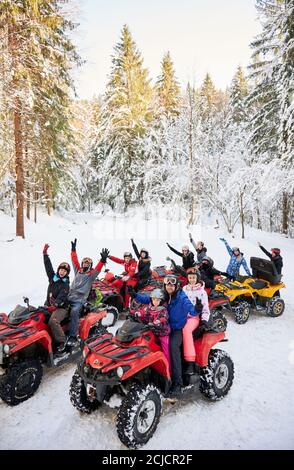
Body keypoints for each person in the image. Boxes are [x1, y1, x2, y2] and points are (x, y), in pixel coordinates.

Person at [163, 274, 199, 397]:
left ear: (177, 286)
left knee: (173, 347)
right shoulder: (164, 295)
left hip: (176, 329)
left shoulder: (181, 296)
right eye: (167, 284)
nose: (169, 287)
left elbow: (189, 306)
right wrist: (135, 296)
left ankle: (178, 382)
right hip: (163, 327)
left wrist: (196, 310)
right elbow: (150, 299)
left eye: (172, 285)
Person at [67, 239, 108, 346]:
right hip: (69, 296)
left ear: (90, 265)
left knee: (74, 311)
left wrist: (102, 260)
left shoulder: (91, 275)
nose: (85, 264)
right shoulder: (78, 271)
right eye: (84, 262)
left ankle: (73, 336)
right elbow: (74, 260)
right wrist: (73, 250)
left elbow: (98, 269)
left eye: (88, 263)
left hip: (79, 300)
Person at [129, 287, 171, 372]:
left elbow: (162, 319)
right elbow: (145, 314)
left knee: (166, 349)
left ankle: (168, 369)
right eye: (154, 299)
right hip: (152, 330)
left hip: (162, 333)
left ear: (161, 301)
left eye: (157, 300)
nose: (155, 302)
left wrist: (155, 323)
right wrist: (137, 313)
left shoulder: (163, 310)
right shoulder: (150, 307)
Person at [43, 244, 70, 353]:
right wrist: (45, 254)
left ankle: (62, 341)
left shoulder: (65, 285)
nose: (62, 272)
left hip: (61, 308)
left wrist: (56, 304)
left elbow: (61, 297)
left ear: (67, 273)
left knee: (53, 321)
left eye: (64, 271)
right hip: (49, 306)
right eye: (61, 270)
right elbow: (48, 266)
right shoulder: (52, 278)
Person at [182, 270, 211, 374]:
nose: (192, 280)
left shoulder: (202, 293)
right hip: (181, 316)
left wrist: (204, 321)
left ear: (197, 278)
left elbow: (205, 309)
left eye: (193, 278)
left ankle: (190, 361)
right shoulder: (183, 290)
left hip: (193, 318)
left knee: (186, 330)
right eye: (190, 278)